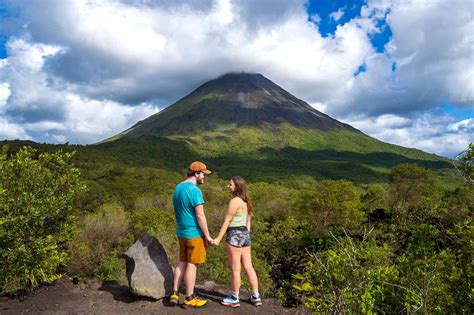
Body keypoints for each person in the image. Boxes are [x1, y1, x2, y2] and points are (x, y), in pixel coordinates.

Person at [212, 176, 262, 308]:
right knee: (249, 266)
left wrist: (218, 239)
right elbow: (248, 221)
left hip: (234, 234)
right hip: (245, 235)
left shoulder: (234, 201)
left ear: (237, 187)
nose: (227, 186)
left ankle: (234, 297)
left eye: (230, 185)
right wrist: (245, 234)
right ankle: (256, 296)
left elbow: (227, 221)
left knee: (235, 268)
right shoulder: (246, 202)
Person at [169, 161, 213, 308]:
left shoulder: (178, 188)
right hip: (194, 233)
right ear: (196, 174)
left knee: (181, 262)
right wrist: (207, 235)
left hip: (181, 232)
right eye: (203, 174)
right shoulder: (195, 191)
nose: (204, 177)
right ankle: (189, 297)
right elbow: (200, 216)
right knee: (192, 265)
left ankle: (174, 293)